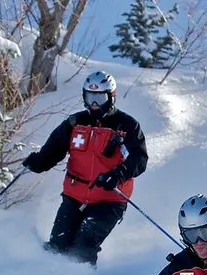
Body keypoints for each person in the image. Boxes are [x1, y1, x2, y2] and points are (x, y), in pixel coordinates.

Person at [22, 71, 148, 264]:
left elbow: (139, 158)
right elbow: (53, 150)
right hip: (74, 195)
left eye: (99, 98)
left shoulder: (127, 126)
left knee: (83, 246)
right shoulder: (75, 123)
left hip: (109, 198)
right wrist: (39, 161)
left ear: (111, 97)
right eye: (90, 97)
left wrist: (117, 174)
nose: (94, 104)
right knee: (58, 245)